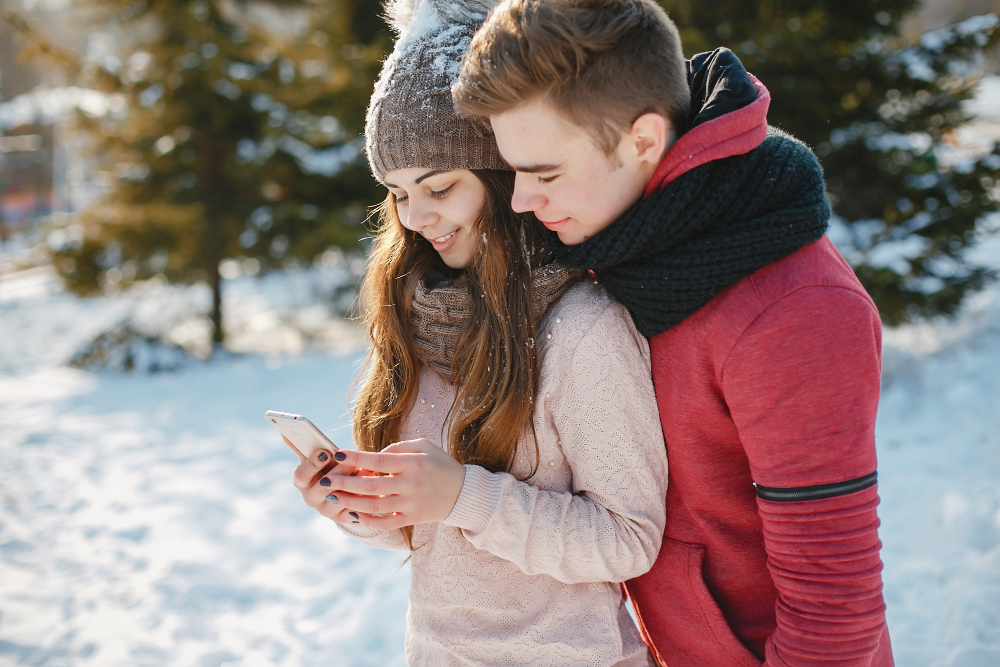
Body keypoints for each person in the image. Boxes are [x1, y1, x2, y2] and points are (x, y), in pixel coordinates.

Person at [452, 1, 893, 666]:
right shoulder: (624, 247)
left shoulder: (795, 309)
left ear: (643, 141)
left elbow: (836, 606)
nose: (521, 200)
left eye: (544, 174)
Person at [285, 1, 668, 665]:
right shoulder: (421, 318)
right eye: (399, 192)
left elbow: (629, 537)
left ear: (500, 174)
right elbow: (440, 534)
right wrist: (365, 506)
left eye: (439, 186)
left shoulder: (583, 329)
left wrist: (463, 494)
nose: (418, 217)